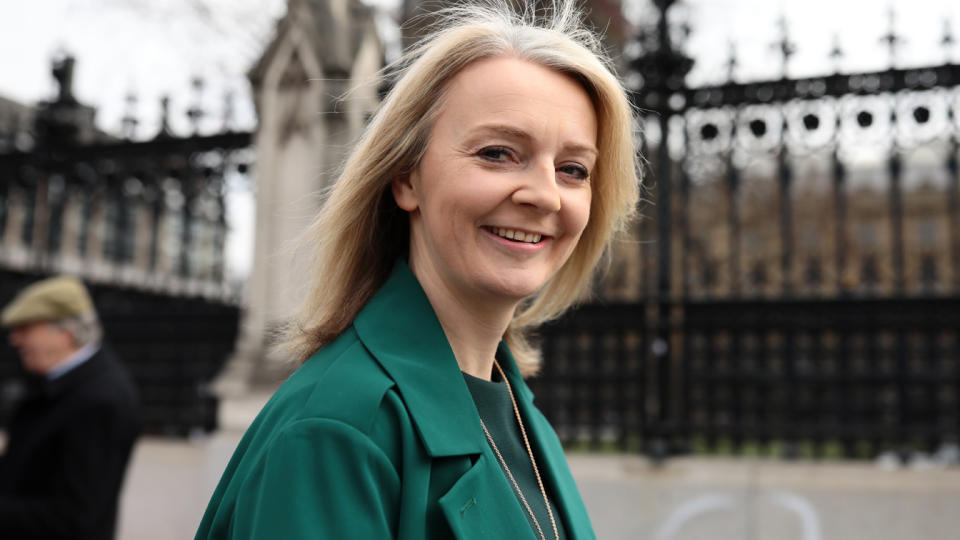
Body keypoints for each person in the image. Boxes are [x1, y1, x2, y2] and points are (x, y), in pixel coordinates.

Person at [196, 1, 639, 538]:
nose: (545, 195)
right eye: (498, 153)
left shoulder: (519, 412)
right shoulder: (337, 432)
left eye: (573, 169)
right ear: (406, 179)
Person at [0, 276, 141, 540]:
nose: (15, 339)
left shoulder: (100, 401)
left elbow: (74, 518)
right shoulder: (62, 382)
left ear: (65, 333)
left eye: (25, 328)